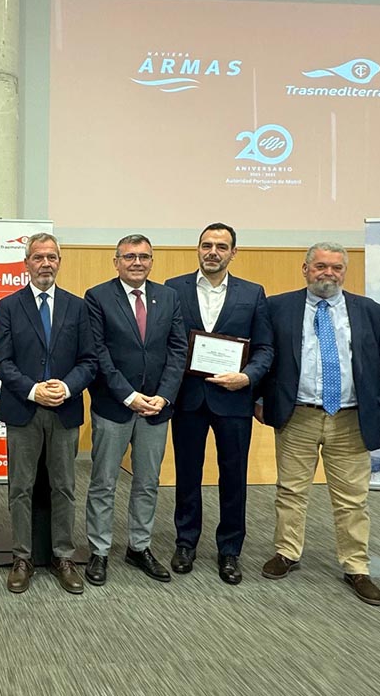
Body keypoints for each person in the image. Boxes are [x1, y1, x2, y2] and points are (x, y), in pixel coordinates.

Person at [257, 242, 380, 605]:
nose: (328, 274)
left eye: (336, 268)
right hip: (298, 414)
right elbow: (264, 359)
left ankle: (356, 566)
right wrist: (258, 400)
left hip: (352, 417)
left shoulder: (372, 312)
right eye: (320, 267)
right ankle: (287, 552)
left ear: (344, 271)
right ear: (305, 269)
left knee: (352, 498)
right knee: (290, 490)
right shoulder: (276, 307)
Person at [164, 223, 273, 584]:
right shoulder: (173, 289)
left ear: (233, 253)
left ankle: (230, 550)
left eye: (221, 246)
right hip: (188, 398)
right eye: (207, 245)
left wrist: (248, 378)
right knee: (188, 474)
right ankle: (186, 542)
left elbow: (265, 348)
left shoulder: (253, 293)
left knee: (234, 477)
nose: (213, 251)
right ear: (197, 248)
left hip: (234, 399)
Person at [0, 233, 97, 594]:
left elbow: (89, 360)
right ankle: (22, 557)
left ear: (59, 262)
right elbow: (1, 360)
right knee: (20, 487)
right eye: (38, 257)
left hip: (64, 409)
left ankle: (63, 556)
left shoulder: (78, 306)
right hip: (23, 409)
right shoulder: (9, 306)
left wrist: (66, 388)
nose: (46, 263)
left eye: (52, 257)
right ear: (26, 263)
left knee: (64, 487)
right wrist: (33, 389)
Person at [83, 234, 187, 586]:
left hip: (156, 408)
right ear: (116, 262)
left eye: (144, 256)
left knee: (147, 482)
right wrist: (128, 395)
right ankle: (99, 550)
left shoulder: (169, 297)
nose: (137, 262)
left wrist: (165, 395)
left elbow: (178, 351)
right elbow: (98, 354)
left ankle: (138, 546)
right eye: (129, 256)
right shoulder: (97, 297)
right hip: (114, 406)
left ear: (152, 261)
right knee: (104, 482)